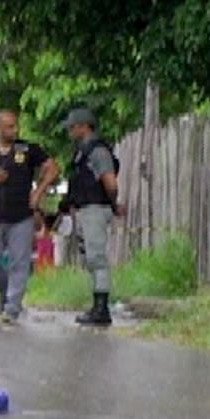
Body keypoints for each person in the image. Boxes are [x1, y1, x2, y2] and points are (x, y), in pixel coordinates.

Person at [0, 111, 60, 324]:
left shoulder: (27, 149)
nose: (14, 130)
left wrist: (39, 192)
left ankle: (12, 307)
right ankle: (4, 288)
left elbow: (53, 168)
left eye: (15, 126)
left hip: (21, 216)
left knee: (20, 262)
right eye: (9, 127)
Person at [64, 108, 121, 326]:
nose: (70, 131)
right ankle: (97, 305)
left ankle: (101, 309)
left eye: (72, 127)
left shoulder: (96, 151)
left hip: (95, 208)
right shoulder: (83, 151)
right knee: (90, 257)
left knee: (97, 258)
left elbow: (109, 180)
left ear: (84, 126)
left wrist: (113, 203)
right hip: (87, 209)